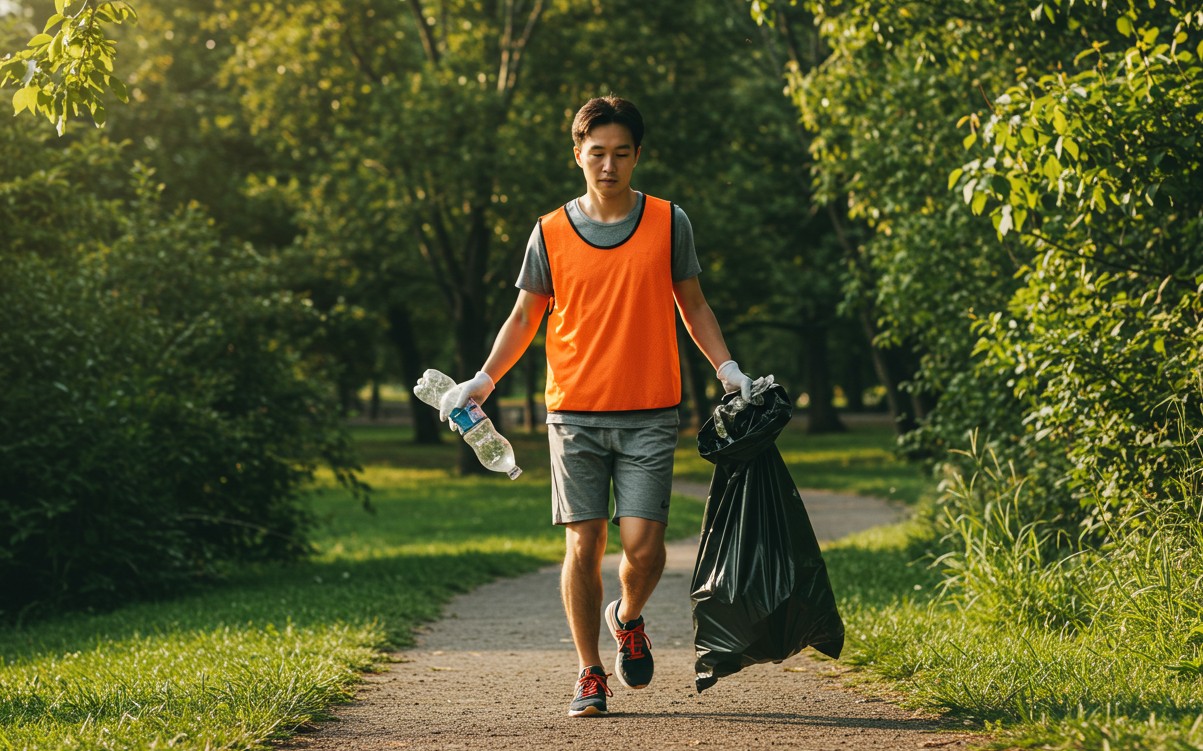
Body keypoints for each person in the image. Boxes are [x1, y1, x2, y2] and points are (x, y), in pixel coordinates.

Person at [439, 95, 753, 718]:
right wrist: (482, 379)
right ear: (578, 155)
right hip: (574, 414)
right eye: (597, 153)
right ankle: (589, 673)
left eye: (622, 153)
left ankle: (627, 616)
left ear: (638, 156)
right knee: (583, 544)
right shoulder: (550, 231)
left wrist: (727, 367)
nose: (609, 165)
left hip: (650, 410)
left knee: (643, 548)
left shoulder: (669, 221)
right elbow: (526, 316)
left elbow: (693, 304)